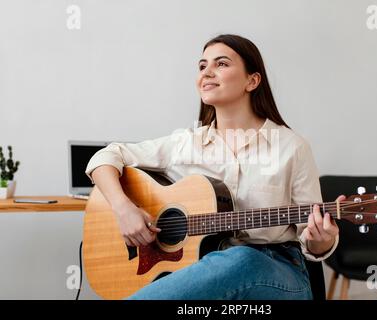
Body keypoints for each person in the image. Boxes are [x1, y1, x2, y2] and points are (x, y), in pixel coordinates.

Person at [85, 34, 344, 300]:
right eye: (202, 66)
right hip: (203, 269)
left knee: (242, 257)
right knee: (227, 261)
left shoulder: (292, 147)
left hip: (278, 269)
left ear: (252, 81)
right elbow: (106, 156)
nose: (207, 72)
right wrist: (123, 208)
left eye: (221, 64)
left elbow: (312, 241)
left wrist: (320, 239)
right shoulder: (185, 143)